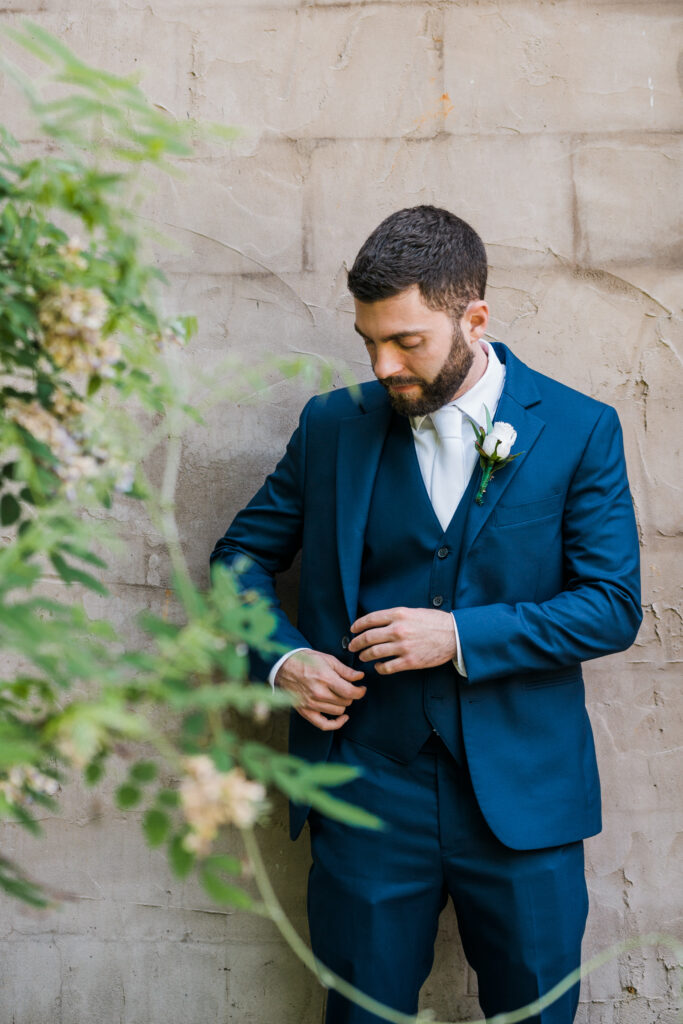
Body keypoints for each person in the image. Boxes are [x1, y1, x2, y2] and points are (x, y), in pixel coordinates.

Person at [210, 206, 642, 1023]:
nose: (381, 364)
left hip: (524, 799)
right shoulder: (331, 427)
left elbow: (611, 606)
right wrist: (281, 659)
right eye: (368, 339)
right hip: (366, 788)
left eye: (405, 341)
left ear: (473, 319)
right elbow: (239, 560)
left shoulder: (581, 430)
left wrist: (457, 635)